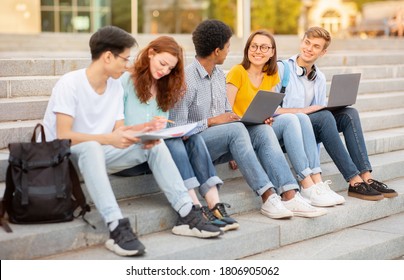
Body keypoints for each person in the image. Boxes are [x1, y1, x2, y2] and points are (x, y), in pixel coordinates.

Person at [41, 26, 221, 258]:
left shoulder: (114, 86)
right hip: (63, 156)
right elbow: (63, 136)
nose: (127, 65)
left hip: (100, 153)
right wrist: (109, 139)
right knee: (91, 147)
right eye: (124, 58)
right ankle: (116, 226)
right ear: (108, 56)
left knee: (154, 146)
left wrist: (144, 130)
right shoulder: (71, 83)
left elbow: (119, 130)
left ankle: (187, 213)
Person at [170, 19, 327, 219]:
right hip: (195, 146)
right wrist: (211, 122)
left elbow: (229, 113)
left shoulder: (219, 75)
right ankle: (268, 196)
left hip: (223, 140)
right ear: (217, 51)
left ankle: (289, 194)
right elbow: (177, 129)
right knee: (235, 130)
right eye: (227, 47)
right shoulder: (184, 80)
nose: (229, 51)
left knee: (262, 129)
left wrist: (254, 120)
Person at [121, 35, 238, 232]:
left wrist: (167, 129)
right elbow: (117, 127)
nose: (164, 71)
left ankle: (214, 205)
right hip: (131, 151)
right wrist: (147, 127)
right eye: (162, 63)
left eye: (170, 69)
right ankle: (193, 207)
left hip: (156, 150)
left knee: (192, 137)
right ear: (151, 53)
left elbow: (163, 126)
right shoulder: (125, 81)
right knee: (173, 142)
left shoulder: (163, 86)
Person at [275, 26, 397, 201]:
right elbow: (271, 110)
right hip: (288, 130)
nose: (309, 49)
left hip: (309, 129)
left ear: (323, 52)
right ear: (302, 42)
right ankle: (354, 180)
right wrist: (304, 111)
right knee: (324, 116)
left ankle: (366, 177)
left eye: (316, 46)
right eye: (307, 43)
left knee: (349, 113)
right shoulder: (282, 69)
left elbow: (317, 117)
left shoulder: (319, 77)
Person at [226, 29, 344, 207]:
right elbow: (226, 112)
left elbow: (272, 110)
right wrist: (233, 147)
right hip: (242, 130)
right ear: (247, 49)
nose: (258, 51)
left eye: (264, 47)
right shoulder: (237, 72)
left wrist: (296, 112)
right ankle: (306, 182)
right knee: (293, 117)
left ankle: (313, 183)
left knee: (300, 118)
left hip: (262, 126)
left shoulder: (271, 75)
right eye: (254, 46)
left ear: (272, 52)